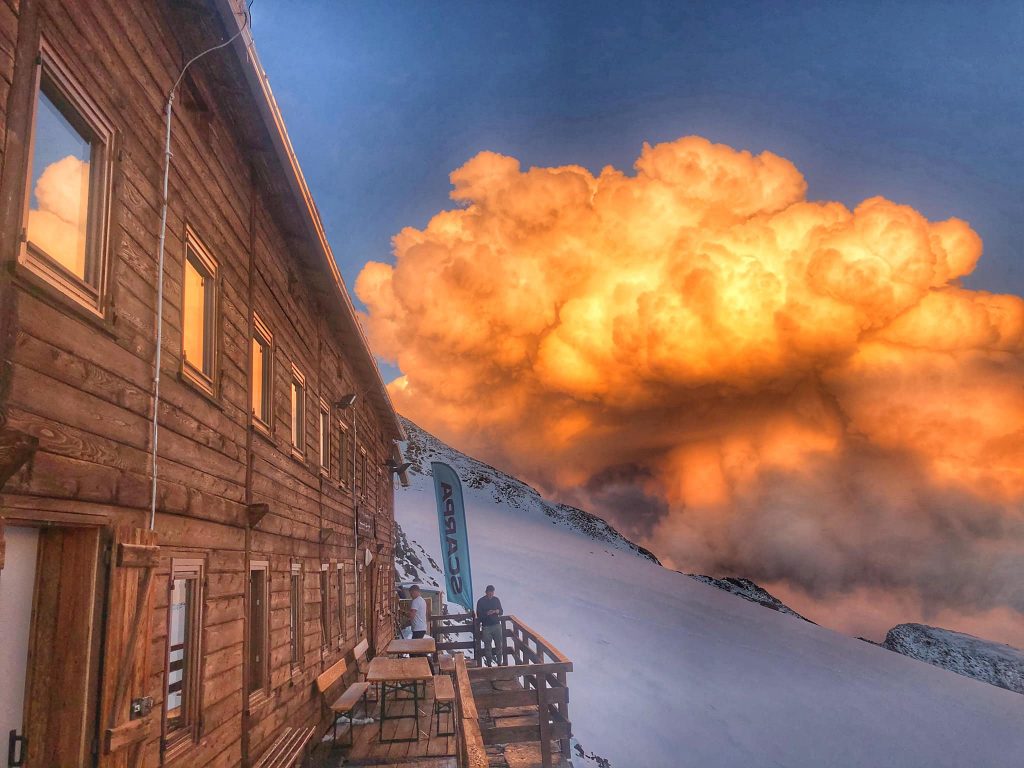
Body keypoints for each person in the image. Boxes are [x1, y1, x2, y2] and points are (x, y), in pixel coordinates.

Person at [476, 585, 503, 667]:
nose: (491, 593)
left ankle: (499, 663)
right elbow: (479, 615)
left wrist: (496, 611)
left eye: (492, 592)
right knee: (488, 646)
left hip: (497, 625)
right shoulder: (481, 601)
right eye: (489, 592)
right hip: (486, 627)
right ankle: (489, 664)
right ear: (486, 592)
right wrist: (487, 613)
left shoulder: (496, 600)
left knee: (499, 645)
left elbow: (501, 611)